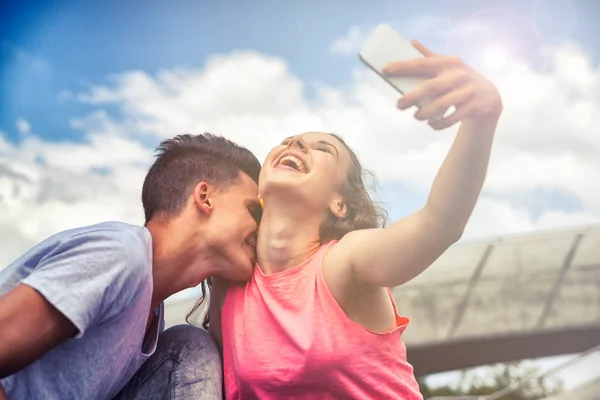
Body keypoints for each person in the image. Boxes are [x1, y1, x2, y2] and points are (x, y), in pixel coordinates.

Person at [207, 42, 503, 399]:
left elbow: (440, 223)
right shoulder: (231, 284)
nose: (296, 143)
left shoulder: (344, 261)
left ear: (340, 204)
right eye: (289, 141)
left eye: (321, 148)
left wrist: (481, 121)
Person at [0, 133, 262, 400]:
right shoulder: (120, 254)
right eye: (253, 210)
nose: (259, 229)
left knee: (188, 345)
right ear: (204, 197)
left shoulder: (149, 312)